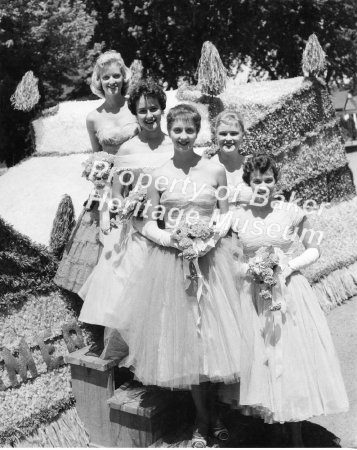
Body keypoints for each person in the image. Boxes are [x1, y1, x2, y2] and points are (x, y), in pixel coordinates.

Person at [117, 104, 259, 448]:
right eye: (177, 130)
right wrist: (173, 239)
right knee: (191, 344)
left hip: (214, 263)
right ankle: (202, 420)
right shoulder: (157, 175)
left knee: (217, 341)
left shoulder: (215, 171)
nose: (183, 136)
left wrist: (209, 239)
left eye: (189, 131)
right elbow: (147, 223)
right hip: (174, 264)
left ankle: (220, 414)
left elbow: (226, 215)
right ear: (170, 130)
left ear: (198, 133)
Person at [220, 154, 349, 447]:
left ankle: (295, 433)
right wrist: (249, 269)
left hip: (289, 292)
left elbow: (315, 248)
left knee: (291, 358)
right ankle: (269, 426)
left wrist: (289, 266)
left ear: (276, 181)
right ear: (248, 183)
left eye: (269, 180)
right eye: (257, 181)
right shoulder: (237, 217)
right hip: (253, 294)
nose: (263, 185)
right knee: (262, 357)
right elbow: (230, 258)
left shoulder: (291, 211)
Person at [78, 79, 173, 356]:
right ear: (135, 114)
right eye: (142, 111)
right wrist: (134, 205)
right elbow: (117, 195)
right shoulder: (128, 150)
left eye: (154, 108)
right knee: (133, 302)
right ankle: (138, 363)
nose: (149, 115)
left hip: (170, 228)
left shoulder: (173, 144)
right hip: (139, 231)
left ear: (162, 109)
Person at [54, 50, 138, 295]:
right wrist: (97, 175)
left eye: (115, 75)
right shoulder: (93, 118)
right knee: (102, 245)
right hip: (107, 193)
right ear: (98, 81)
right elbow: (96, 156)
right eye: (105, 77)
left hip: (138, 185)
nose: (111, 81)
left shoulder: (136, 107)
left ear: (123, 77)